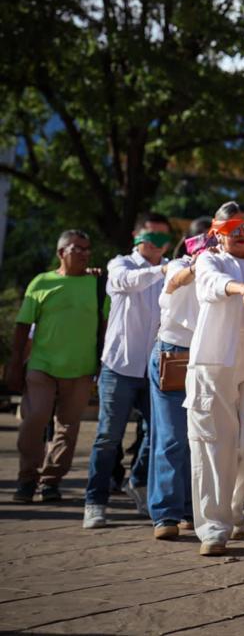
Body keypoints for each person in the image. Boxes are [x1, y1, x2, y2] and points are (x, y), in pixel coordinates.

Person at [185, 201, 244, 556]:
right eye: (232, 228)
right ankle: (213, 527)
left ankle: (235, 502)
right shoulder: (210, 259)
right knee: (213, 445)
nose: (242, 234)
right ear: (216, 232)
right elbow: (211, 284)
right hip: (215, 362)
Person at [84, 212, 172, 529]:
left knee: (157, 434)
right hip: (119, 366)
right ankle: (95, 501)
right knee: (109, 436)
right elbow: (126, 283)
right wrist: (162, 269)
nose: (158, 244)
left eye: (164, 238)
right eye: (151, 236)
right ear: (136, 236)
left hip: (155, 369)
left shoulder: (169, 271)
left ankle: (138, 482)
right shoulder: (120, 264)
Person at [11, 230, 108, 504]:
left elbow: (105, 328)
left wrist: (102, 364)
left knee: (68, 428)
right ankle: (26, 478)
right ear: (61, 253)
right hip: (42, 366)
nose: (84, 253)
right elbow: (22, 326)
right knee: (34, 420)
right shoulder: (42, 282)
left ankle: (51, 481)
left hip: (81, 369)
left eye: (87, 249)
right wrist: (16, 363)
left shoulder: (98, 286)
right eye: (77, 249)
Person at [147, 217, 213, 539]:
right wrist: (200, 264)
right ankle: (165, 515)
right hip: (173, 354)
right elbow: (175, 281)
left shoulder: (224, 267)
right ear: (190, 242)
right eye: (205, 237)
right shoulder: (177, 264)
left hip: (207, 357)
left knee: (198, 440)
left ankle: (190, 509)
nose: (211, 241)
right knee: (172, 438)